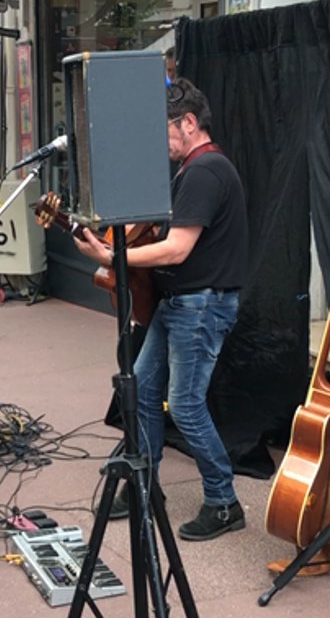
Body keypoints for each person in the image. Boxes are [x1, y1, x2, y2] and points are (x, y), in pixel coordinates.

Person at [73, 77, 248, 542]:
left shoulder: (206, 171)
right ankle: (144, 486)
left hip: (200, 306)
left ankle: (224, 501)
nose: (161, 142)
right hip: (182, 303)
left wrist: (113, 257)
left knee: (187, 407)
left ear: (189, 123)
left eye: (165, 129)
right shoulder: (194, 170)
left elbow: (176, 250)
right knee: (144, 389)